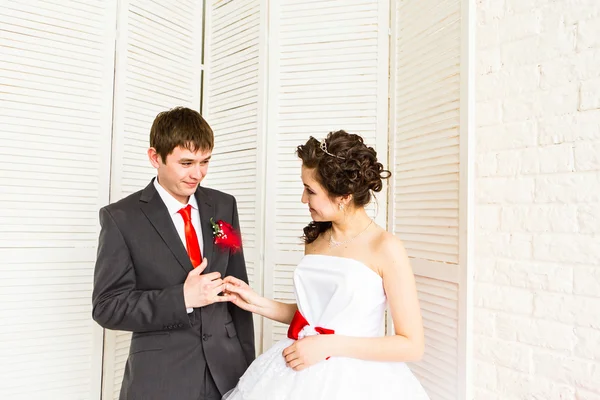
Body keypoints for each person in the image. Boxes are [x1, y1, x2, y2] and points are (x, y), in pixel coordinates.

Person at [222, 130, 430, 399]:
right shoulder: (316, 239)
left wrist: (328, 345)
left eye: (310, 190)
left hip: (358, 381)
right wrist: (254, 301)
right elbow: (316, 314)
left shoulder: (385, 247)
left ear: (343, 196)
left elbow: (412, 345)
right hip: (297, 368)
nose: (303, 199)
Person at [92, 107, 255, 400]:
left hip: (229, 372)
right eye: (187, 162)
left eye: (205, 161)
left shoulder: (224, 206)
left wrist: (250, 370)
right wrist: (182, 298)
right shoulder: (121, 218)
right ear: (155, 157)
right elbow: (107, 306)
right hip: (161, 379)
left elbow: (238, 291)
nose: (198, 174)